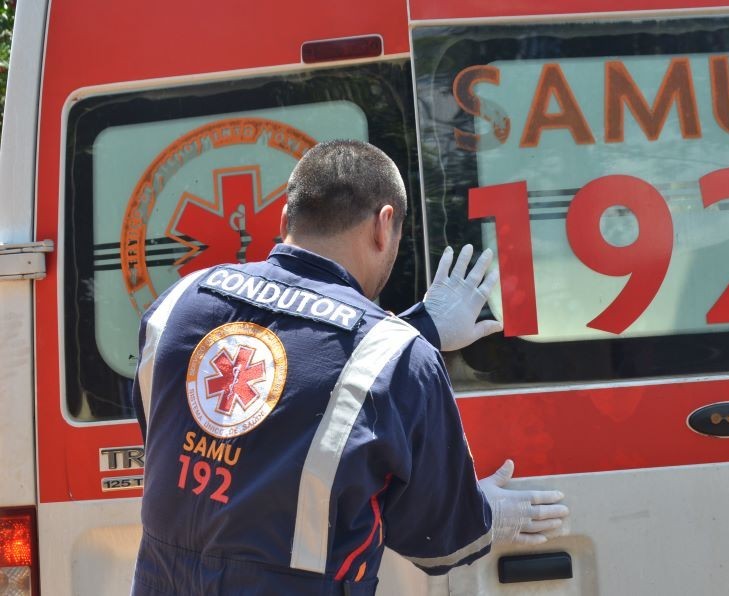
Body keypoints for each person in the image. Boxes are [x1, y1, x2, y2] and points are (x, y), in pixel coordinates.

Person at [130, 140, 568, 595]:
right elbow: (439, 542)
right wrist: (485, 516)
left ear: (284, 219)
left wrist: (419, 331)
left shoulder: (179, 303)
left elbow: (195, 431)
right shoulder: (401, 361)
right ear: (383, 226)